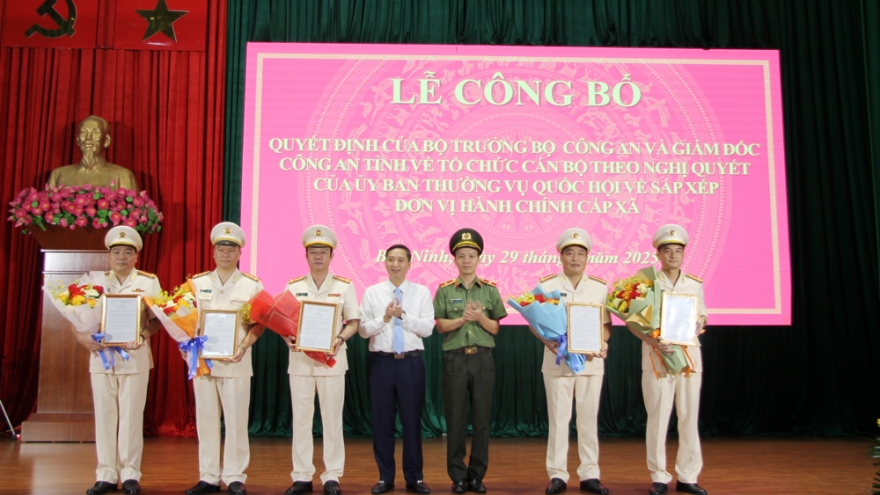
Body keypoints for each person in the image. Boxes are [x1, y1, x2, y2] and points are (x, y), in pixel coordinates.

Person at [75, 226, 161, 495]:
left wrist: (143, 335)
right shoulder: (94, 282)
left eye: (127, 252)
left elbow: (159, 319)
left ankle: (130, 474)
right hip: (101, 358)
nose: (121, 257)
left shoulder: (149, 282)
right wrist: (82, 338)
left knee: (132, 417)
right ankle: (106, 474)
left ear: (136, 256)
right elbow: (76, 319)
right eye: (116, 252)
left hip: (135, 358)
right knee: (104, 417)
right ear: (109, 255)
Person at [627, 224, 708, 495]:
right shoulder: (645, 283)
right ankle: (659, 477)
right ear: (658, 254)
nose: (673, 255)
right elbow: (632, 321)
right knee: (658, 418)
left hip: (688, 358)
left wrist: (698, 323)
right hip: (657, 357)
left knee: (688, 417)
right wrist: (652, 341)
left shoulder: (694, 284)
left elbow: (703, 315)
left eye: (678, 251)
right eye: (667, 250)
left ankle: (688, 476)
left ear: (683, 254)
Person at [530, 229, 612, 495]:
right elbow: (534, 320)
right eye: (569, 253)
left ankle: (590, 474)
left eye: (580, 253)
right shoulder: (548, 285)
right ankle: (557, 475)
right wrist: (547, 341)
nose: (575, 258)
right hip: (558, 362)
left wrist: (602, 341)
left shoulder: (599, 287)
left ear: (587, 258)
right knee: (558, 420)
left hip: (590, 364)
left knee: (588, 420)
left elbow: (606, 325)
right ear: (561, 257)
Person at [186, 222, 264, 495]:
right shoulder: (197, 283)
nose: (226, 253)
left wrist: (244, 345)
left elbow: (260, 323)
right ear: (214, 251)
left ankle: (234, 476)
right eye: (221, 248)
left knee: (236, 421)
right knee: (206, 420)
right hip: (203, 363)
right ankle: (208, 476)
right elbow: (184, 320)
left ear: (240, 253)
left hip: (236, 362)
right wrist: (188, 344)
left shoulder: (252, 285)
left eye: (231, 249)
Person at [284, 225, 360, 495]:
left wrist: (339, 339)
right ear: (306, 255)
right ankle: (302, 476)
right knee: (301, 420)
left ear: (331, 256)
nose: (318, 256)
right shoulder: (293, 286)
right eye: (314, 252)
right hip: (301, 362)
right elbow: (285, 322)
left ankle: (332, 476)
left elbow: (353, 321)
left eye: (323, 252)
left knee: (332, 420)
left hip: (332, 361)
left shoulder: (344, 286)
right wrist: (286, 338)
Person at [433, 228, 507, 494]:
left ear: (478, 259)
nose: (466, 260)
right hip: (455, 360)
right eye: (462, 255)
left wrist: (480, 318)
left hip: (482, 359)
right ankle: (457, 476)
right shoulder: (444, 290)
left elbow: (495, 327)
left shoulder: (489, 290)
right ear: (454, 259)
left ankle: (477, 475)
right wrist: (462, 319)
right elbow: (440, 326)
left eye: (471, 255)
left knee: (481, 420)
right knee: (455, 419)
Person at [359, 244, 434, 495]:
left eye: (401, 260)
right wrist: (384, 319)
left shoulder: (421, 292)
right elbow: (363, 330)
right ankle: (385, 477)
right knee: (382, 422)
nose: (395, 264)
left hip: (411, 363)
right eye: (391, 259)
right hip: (381, 362)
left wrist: (403, 316)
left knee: (412, 422)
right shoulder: (372, 292)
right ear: (385, 263)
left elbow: (427, 329)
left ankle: (415, 478)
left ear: (409, 264)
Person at [47, 115, 138, 190]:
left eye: (96, 133)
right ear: (78, 140)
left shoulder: (123, 176)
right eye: (83, 132)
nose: (88, 137)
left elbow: (131, 206)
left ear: (106, 141)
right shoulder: (58, 175)